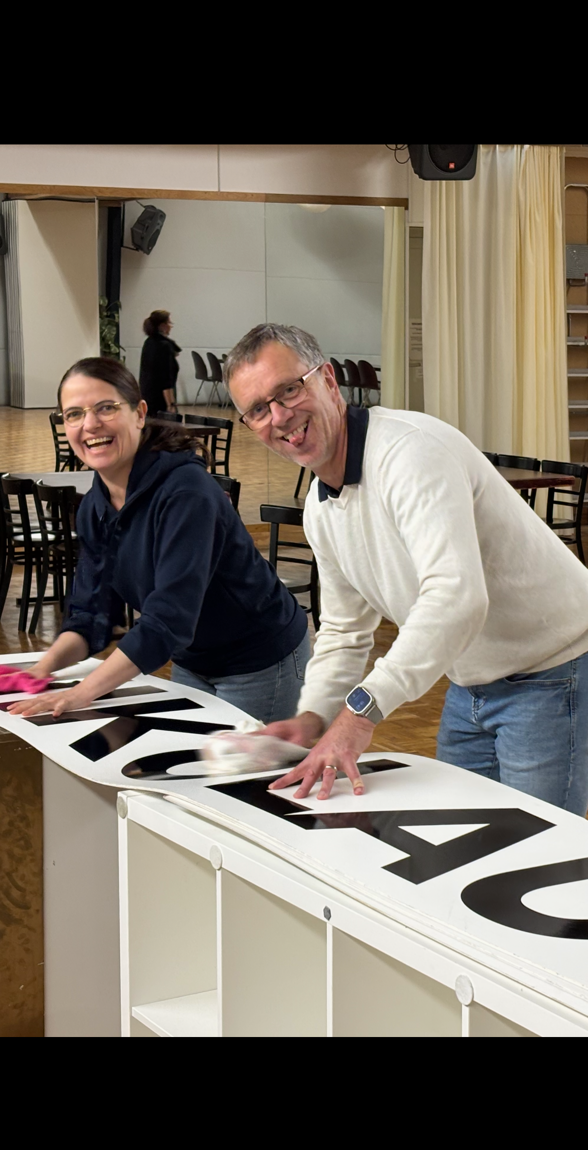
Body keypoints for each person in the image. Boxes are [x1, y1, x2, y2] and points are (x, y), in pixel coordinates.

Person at [223, 323, 588, 816]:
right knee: (462, 835)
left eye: (289, 389)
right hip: (468, 679)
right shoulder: (319, 507)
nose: (280, 416)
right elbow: (346, 628)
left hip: (554, 670)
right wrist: (312, 717)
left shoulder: (409, 452)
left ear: (328, 381)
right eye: (259, 409)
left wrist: (360, 712)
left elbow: (456, 596)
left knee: (539, 855)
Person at [7, 356, 309, 723]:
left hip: (260, 659)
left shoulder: (186, 493)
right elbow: (92, 614)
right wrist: (43, 669)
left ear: (139, 413)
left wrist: (78, 695)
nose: (90, 424)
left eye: (106, 408)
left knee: (244, 777)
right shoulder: (94, 508)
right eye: (74, 414)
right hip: (193, 658)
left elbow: (167, 620)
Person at [139, 310, 181, 416]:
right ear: (162, 326)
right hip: (160, 401)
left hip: (147, 397)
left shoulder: (148, 342)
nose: (171, 326)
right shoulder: (164, 346)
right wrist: (171, 404)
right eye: (169, 323)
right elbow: (166, 379)